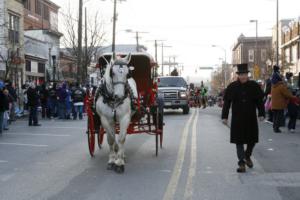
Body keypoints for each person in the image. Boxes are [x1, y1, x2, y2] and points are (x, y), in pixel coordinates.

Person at [222, 64, 265, 173]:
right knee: (239, 141)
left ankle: (247, 155)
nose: (243, 77)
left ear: (247, 74)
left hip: (251, 118)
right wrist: (225, 116)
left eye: (245, 74)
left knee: (252, 140)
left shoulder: (254, 86)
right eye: (241, 74)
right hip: (237, 118)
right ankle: (241, 163)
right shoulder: (232, 87)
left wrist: (261, 113)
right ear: (238, 75)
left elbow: (259, 102)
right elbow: (227, 103)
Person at [271, 68, 295, 133]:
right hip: (280, 104)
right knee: (279, 117)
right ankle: (277, 129)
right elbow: (287, 94)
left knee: (275, 116)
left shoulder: (273, 86)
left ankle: (274, 127)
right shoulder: (281, 86)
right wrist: (293, 97)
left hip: (274, 104)